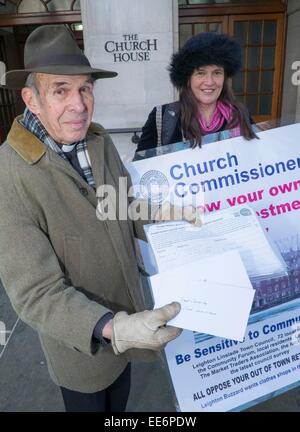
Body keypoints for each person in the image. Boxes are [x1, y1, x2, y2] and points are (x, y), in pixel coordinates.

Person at [0, 25, 198, 412]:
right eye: (60, 90)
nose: (79, 104)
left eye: (85, 89)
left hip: (129, 317)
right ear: (32, 98)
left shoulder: (98, 140)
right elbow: (35, 293)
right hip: (82, 347)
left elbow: (123, 204)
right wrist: (115, 328)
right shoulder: (10, 174)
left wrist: (169, 220)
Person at [136, 32, 258, 154]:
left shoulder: (240, 114)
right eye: (201, 73)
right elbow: (141, 165)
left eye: (217, 73)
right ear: (188, 79)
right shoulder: (162, 117)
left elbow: (257, 157)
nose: (209, 82)